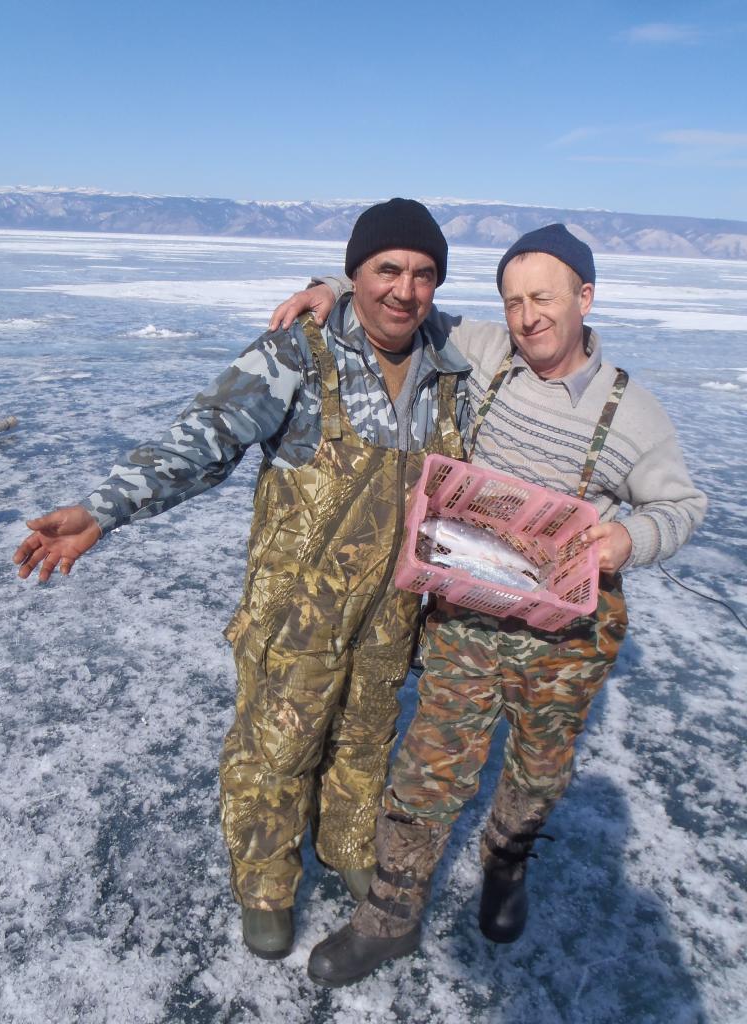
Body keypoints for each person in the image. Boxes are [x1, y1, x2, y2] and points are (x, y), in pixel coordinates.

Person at [12, 198, 472, 960]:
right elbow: (204, 437)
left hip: (391, 615)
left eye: (424, 275)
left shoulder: (450, 370)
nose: (405, 289)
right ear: (356, 273)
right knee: (276, 750)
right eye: (386, 269)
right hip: (296, 614)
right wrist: (104, 510)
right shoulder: (300, 354)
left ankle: (349, 842)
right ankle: (264, 882)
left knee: (364, 738)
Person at [268, 223, 707, 986]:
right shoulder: (491, 355)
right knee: (429, 769)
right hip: (471, 611)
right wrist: (331, 288)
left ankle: (505, 864)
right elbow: (404, 307)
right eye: (512, 300)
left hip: (567, 630)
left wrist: (625, 541)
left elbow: (682, 505)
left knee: (539, 769)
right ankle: (392, 918)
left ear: (585, 297)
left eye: (543, 297)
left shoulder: (634, 413)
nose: (527, 315)